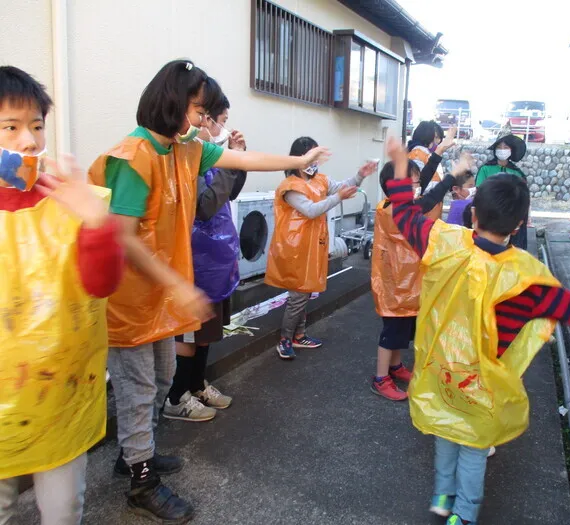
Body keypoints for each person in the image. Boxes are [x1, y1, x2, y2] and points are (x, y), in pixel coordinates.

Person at [88, 60, 329, 523]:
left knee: (161, 380)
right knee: (139, 389)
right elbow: (120, 239)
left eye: (205, 114)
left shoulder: (184, 148)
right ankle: (141, 482)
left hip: (160, 296)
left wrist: (298, 163)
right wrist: (179, 284)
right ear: (171, 102)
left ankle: (135, 454)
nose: (202, 121)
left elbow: (240, 160)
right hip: (131, 300)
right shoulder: (133, 157)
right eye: (199, 111)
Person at [383, 137, 570, 524]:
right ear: (521, 224)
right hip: (484, 384)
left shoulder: (443, 243)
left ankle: (442, 497)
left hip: (443, 370)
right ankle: (463, 515)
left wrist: (400, 165)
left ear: (472, 215)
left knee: (445, 431)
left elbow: (404, 214)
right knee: (474, 449)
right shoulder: (527, 278)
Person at [0, 66, 124, 525]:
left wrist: (95, 224)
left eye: (36, 126)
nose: (29, 142)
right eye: (10, 128)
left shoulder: (70, 202)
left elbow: (102, 285)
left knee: (64, 511)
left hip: (59, 401)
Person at [166, 79, 248, 422]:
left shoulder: (205, 154)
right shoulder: (185, 157)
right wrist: (232, 164)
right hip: (194, 262)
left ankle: (197, 384)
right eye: (217, 119)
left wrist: (238, 160)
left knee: (206, 332)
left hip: (215, 261)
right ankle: (176, 397)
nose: (220, 127)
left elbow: (228, 192)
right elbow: (206, 204)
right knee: (188, 332)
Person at [370, 156, 473, 401]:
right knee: (392, 332)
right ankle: (380, 377)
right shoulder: (392, 208)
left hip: (407, 279)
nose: (417, 187)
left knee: (404, 328)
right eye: (412, 183)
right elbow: (428, 200)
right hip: (394, 282)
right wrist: (450, 175)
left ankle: (395, 367)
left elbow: (424, 191)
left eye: (416, 183)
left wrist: (437, 154)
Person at [265, 137, 377, 360]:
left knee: (306, 292)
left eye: (316, 157)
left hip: (312, 246)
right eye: (311, 157)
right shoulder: (290, 187)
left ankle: (299, 334)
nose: (315, 162)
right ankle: (286, 339)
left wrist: (361, 174)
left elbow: (344, 187)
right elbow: (311, 210)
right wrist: (337, 197)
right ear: (299, 158)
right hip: (294, 248)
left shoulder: (320, 180)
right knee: (298, 295)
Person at [475, 123, 528, 249]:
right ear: (495, 150)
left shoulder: (517, 173)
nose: (502, 149)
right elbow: (478, 194)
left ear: (511, 150)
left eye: (505, 147)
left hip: (511, 218)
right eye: (499, 146)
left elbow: (523, 200)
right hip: (490, 216)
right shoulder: (485, 169)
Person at [408, 121, 457, 219]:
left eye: (439, 138)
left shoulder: (426, 155)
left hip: (429, 213)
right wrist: (445, 183)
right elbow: (420, 186)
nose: (438, 141)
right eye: (436, 137)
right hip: (424, 215)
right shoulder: (417, 154)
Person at [445, 160, 476, 226]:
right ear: (456, 189)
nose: (474, 189)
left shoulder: (454, 204)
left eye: (474, 186)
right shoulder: (462, 206)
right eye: (470, 186)